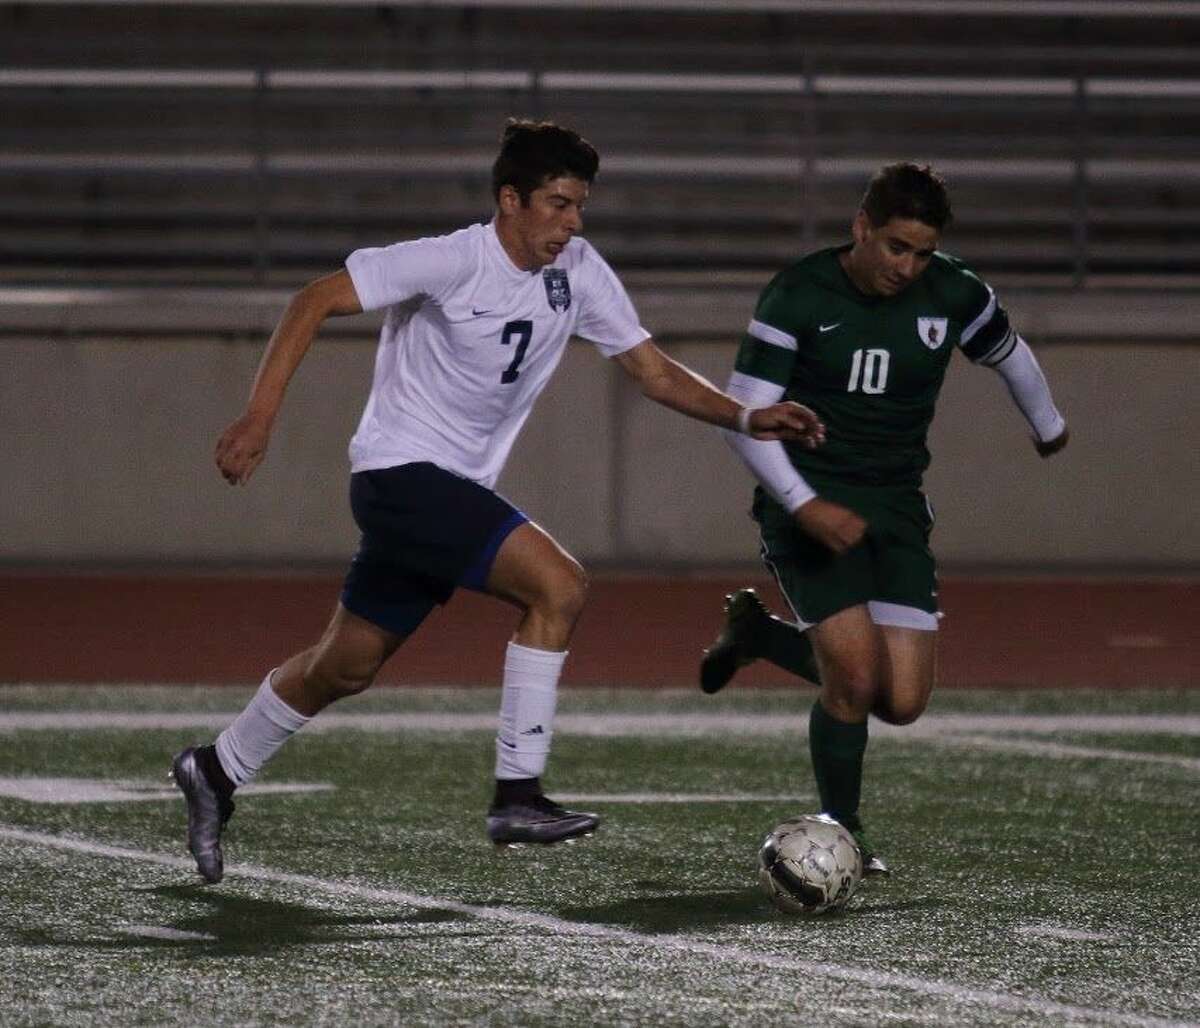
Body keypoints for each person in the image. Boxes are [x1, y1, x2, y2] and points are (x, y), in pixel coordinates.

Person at [171, 119, 824, 884]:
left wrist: (744, 415)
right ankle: (518, 792)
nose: (572, 222)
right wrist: (260, 416)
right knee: (560, 584)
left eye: (579, 206)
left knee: (343, 667)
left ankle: (216, 768)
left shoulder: (577, 270)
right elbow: (312, 299)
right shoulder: (452, 259)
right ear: (509, 200)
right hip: (400, 477)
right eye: (556, 204)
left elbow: (652, 370)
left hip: (445, 493)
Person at [699, 162, 1068, 874]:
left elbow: (1010, 354)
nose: (908, 266)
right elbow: (741, 417)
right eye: (896, 246)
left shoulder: (954, 291)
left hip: (896, 504)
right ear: (861, 228)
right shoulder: (800, 292)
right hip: (806, 499)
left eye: (922, 252)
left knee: (900, 701)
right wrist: (804, 505)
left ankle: (757, 636)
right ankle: (845, 827)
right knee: (854, 681)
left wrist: (1049, 424)